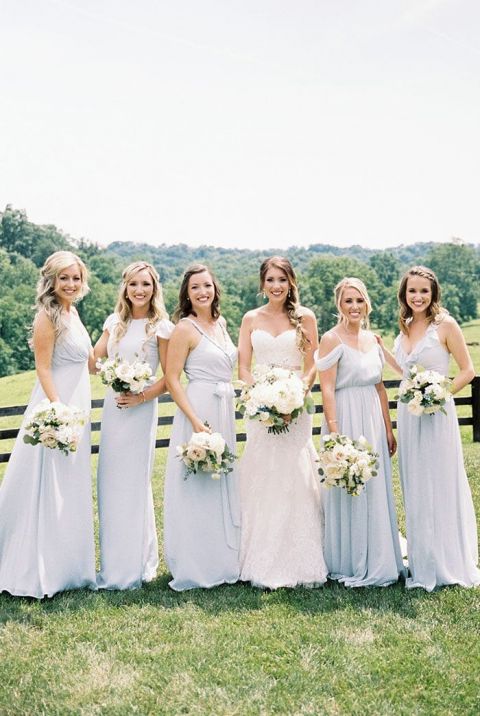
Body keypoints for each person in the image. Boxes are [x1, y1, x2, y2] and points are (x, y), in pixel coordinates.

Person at [0, 251, 96, 598]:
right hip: (56, 407)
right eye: (64, 278)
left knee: (69, 482)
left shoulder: (74, 313)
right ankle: (38, 567)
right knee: (47, 481)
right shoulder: (48, 315)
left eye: (75, 278)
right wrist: (58, 410)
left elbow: (90, 364)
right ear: (51, 281)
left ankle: (68, 564)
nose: (71, 284)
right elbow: (43, 367)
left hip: (78, 407)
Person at [381, 265, 479, 591]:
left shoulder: (445, 325)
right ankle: (423, 558)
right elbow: (406, 370)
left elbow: (467, 370)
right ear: (404, 294)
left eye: (424, 291)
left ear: (433, 292)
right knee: (416, 482)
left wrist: (438, 393)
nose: (418, 296)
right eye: (412, 291)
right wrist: (383, 352)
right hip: (409, 414)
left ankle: (448, 560)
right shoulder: (405, 325)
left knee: (440, 480)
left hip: (437, 412)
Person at [238, 256, 327, 589]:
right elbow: (244, 367)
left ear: (291, 282)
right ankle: (259, 554)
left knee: (296, 474)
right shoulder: (250, 319)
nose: (276, 286)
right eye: (270, 280)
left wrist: (296, 394)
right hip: (261, 409)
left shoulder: (305, 317)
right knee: (263, 474)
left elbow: (312, 364)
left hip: (296, 405)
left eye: (282, 280)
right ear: (262, 283)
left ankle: (302, 556)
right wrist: (262, 397)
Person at [316, 277, 404, 587]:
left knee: (375, 486)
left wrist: (388, 428)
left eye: (359, 300)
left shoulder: (374, 339)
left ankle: (380, 554)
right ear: (339, 305)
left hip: (373, 420)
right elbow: (326, 388)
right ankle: (349, 559)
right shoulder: (331, 339)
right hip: (345, 417)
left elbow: (380, 388)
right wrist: (336, 433)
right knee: (349, 483)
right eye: (348, 301)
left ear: (367, 303)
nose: (354, 306)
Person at [94, 261, 174, 590]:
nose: (139, 290)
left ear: (154, 288)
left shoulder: (162, 327)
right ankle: (116, 561)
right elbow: (93, 360)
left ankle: (134, 564)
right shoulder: (115, 322)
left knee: (133, 484)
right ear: (124, 288)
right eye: (132, 284)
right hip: (114, 411)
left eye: (145, 284)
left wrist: (140, 397)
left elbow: (170, 378)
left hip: (141, 411)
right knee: (109, 483)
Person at [163, 264, 240, 591]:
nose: (202, 292)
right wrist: (195, 421)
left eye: (207, 286)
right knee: (197, 480)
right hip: (199, 410)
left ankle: (224, 557)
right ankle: (197, 561)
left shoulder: (220, 323)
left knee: (221, 479)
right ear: (187, 293)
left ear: (214, 289)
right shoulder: (185, 328)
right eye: (195, 288)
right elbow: (171, 378)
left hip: (224, 408)